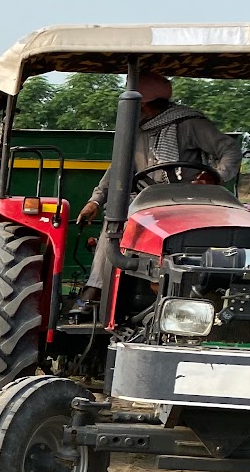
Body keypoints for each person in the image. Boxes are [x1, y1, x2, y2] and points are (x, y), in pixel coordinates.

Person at [76, 72, 240, 303]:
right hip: (149, 200)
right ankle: (97, 288)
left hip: (189, 200)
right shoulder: (136, 131)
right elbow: (118, 169)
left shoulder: (189, 123)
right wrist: (95, 201)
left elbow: (229, 149)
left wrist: (216, 176)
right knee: (115, 218)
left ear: (143, 104)